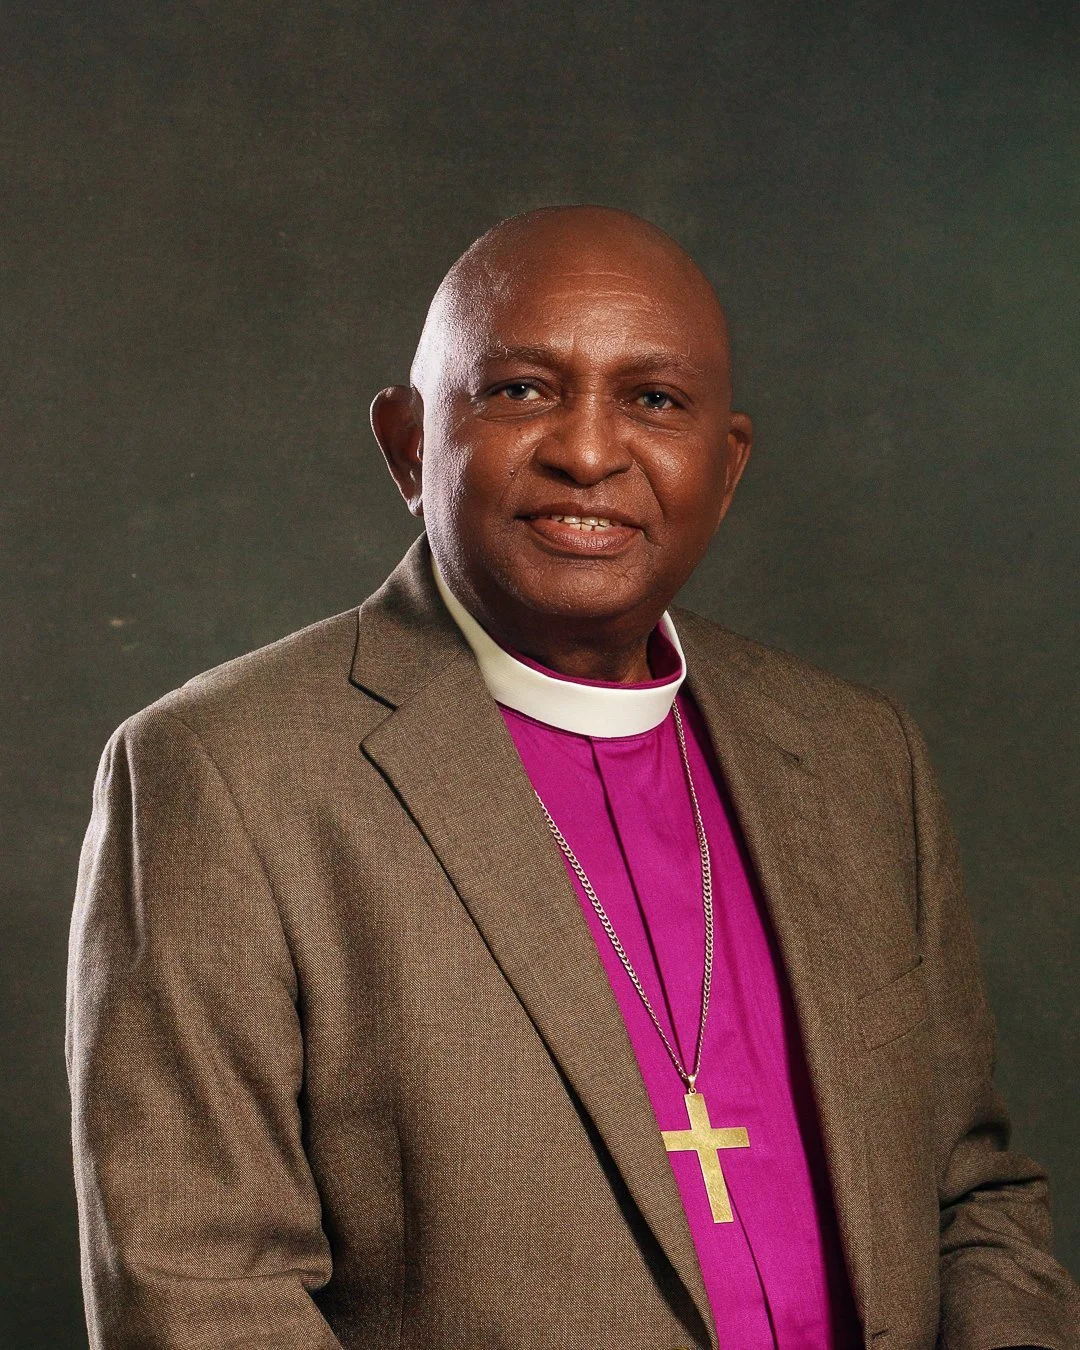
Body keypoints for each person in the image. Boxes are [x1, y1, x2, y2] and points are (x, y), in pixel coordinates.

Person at [66, 205, 1079, 1349]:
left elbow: (974, 1201)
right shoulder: (223, 774)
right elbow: (201, 1291)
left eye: (653, 400)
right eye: (521, 391)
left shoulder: (858, 756)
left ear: (726, 463)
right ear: (407, 445)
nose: (589, 452)